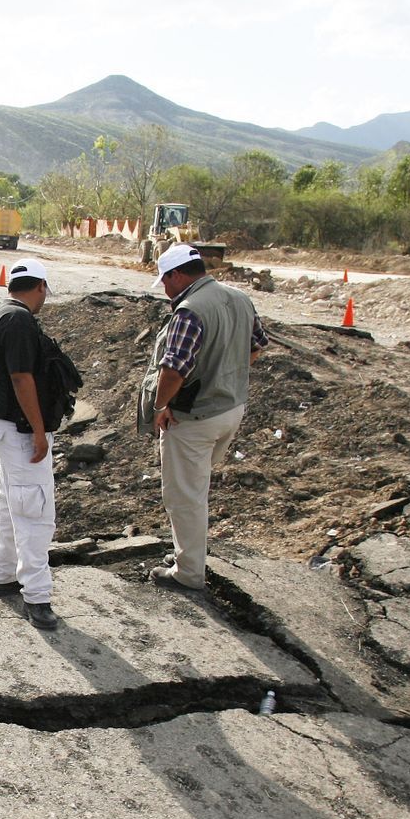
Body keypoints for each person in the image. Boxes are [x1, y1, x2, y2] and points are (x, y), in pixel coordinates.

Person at [146, 243, 269, 592]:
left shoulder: (190, 310)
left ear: (177, 275)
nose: (165, 289)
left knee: (185, 496)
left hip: (195, 417)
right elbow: (257, 344)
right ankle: (189, 554)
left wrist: (159, 407)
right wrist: (227, 374)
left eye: (165, 281)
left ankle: (188, 574)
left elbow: (173, 370)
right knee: (196, 487)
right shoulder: (239, 297)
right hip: (231, 409)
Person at [0, 258, 60, 630]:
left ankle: (5, 574)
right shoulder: (17, 320)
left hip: (9, 428)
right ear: (41, 286)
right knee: (34, 509)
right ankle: (37, 596)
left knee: (12, 502)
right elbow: (21, 378)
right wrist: (39, 430)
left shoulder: (4, 313)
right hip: (19, 430)